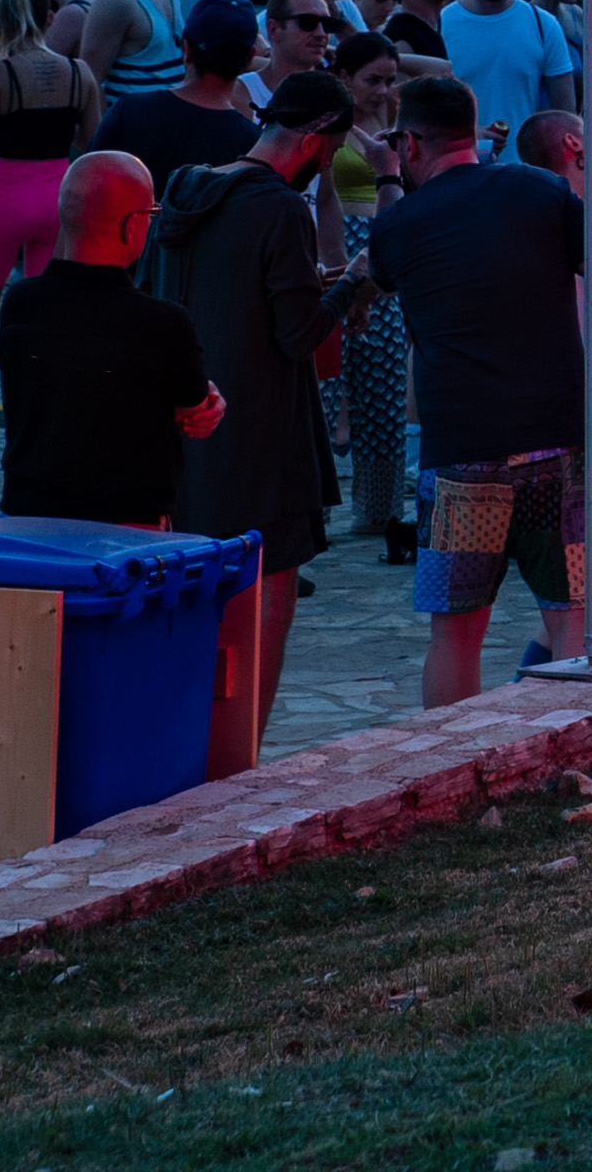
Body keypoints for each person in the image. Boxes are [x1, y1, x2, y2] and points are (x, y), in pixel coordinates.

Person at [366, 76, 586, 698]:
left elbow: (382, 269)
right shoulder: (543, 190)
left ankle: (451, 769)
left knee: (457, 630)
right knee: (569, 614)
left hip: (460, 451)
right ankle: (567, 750)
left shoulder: (400, 224)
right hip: (556, 441)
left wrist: (387, 181)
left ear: (408, 142)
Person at [170, 69, 352, 741]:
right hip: (267, 430)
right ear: (311, 139)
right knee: (269, 596)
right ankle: (239, 750)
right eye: (329, 153)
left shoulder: (189, 187)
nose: (325, 166)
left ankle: (190, 741)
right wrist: (347, 287)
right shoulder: (278, 207)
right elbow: (299, 333)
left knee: (195, 597)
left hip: (194, 422)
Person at [0, 148, 226, 525]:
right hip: (127, 528)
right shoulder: (161, 323)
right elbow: (194, 407)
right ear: (132, 225)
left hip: (28, 514)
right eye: (151, 215)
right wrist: (207, 397)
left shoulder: (20, 302)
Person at [0, 0, 93, 450]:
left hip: (6, 194)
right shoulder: (78, 73)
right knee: (48, 320)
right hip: (57, 198)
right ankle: (43, 426)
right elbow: (93, 146)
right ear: (49, 18)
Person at [428, 0, 576, 156]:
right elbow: (426, 114)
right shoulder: (441, 25)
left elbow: (565, 116)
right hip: (461, 171)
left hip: (524, 174)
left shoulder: (543, 25)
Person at [97, 0, 267, 183]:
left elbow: (89, 181)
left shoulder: (129, 111)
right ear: (250, 58)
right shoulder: (253, 146)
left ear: (186, 49)